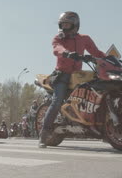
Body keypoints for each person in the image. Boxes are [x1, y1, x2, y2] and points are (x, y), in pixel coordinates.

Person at [39, 11, 106, 148]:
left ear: (75, 25)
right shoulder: (58, 38)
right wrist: (67, 53)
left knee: (96, 94)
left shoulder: (84, 38)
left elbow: (96, 52)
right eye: (62, 24)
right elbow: (57, 49)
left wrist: (108, 58)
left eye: (67, 24)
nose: (64, 27)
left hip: (78, 75)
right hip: (62, 74)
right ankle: (44, 134)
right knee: (57, 101)